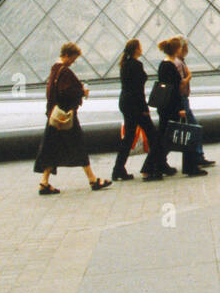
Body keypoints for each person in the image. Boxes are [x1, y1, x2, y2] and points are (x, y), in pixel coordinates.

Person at [33, 43, 111, 195]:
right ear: (67, 55)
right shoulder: (65, 72)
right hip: (66, 116)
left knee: (51, 149)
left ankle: (44, 182)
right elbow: (67, 92)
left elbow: (52, 93)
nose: (73, 62)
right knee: (79, 145)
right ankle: (93, 180)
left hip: (54, 117)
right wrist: (82, 91)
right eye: (73, 59)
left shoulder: (54, 69)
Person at [141, 37, 204, 179]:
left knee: (163, 139)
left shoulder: (163, 64)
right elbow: (176, 88)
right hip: (172, 107)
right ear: (176, 49)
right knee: (175, 137)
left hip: (165, 107)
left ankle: (152, 168)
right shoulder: (170, 66)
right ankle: (187, 167)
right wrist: (180, 108)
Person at [113, 39, 156, 181]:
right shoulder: (136, 65)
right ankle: (152, 167)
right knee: (153, 136)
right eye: (140, 46)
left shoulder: (124, 64)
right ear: (136, 49)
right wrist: (144, 108)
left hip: (125, 103)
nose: (141, 49)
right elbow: (138, 90)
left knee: (129, 137)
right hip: (135, 105)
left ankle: (118, 169)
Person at [176, 38, 214, 168]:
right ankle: (197, 157)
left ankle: (197, 156)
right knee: (194, 128)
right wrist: (189, 77)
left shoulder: (178, 62)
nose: (186, 51)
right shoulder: (178, 63)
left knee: (189, 128)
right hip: (182, 101)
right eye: (185, 49)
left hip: (182, 100)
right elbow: (180, 84)